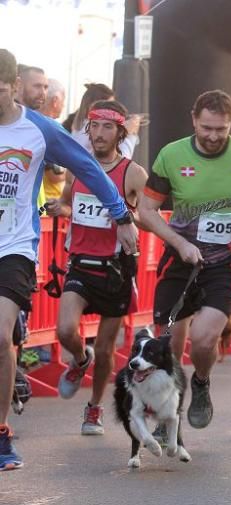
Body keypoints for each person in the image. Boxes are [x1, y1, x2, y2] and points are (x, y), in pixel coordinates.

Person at [0, 49, 133, 470]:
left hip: (14, 247)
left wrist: (121, 215)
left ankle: (0, 434)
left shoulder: (39, 129)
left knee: (0, 335)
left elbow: (88, 169)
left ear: (13, 87)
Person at [138, 89, 231, 429]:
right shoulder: (171, 156)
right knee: (167, 347)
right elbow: (147, 211)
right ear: (194, 120)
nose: (213, 136)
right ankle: (166, 415)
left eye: (221, 129)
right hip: (179, 259)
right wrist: (179, 242)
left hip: (225, 261)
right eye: (207, 128)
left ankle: (201, 382)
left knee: (203, 339)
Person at [45, 99, 148, 435]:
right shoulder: (78, 167)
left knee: (106, 351)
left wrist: (124, 218)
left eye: (108, 127)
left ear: (120, 132)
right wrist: (56, 208)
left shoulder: (132, 172)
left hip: (115, 269)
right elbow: (66, 205)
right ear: (87, 128)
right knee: (64, 331)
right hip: (80, 264)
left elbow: (148, 217)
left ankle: (94, 408)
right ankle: (79, 360)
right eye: (95, 126)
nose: (100, 134)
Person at [67, 83, 140, 159]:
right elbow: (121, 162)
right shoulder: (88, 131)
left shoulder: (81, 127)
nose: (113, 110)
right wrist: (128, 136)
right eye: (109, 105)